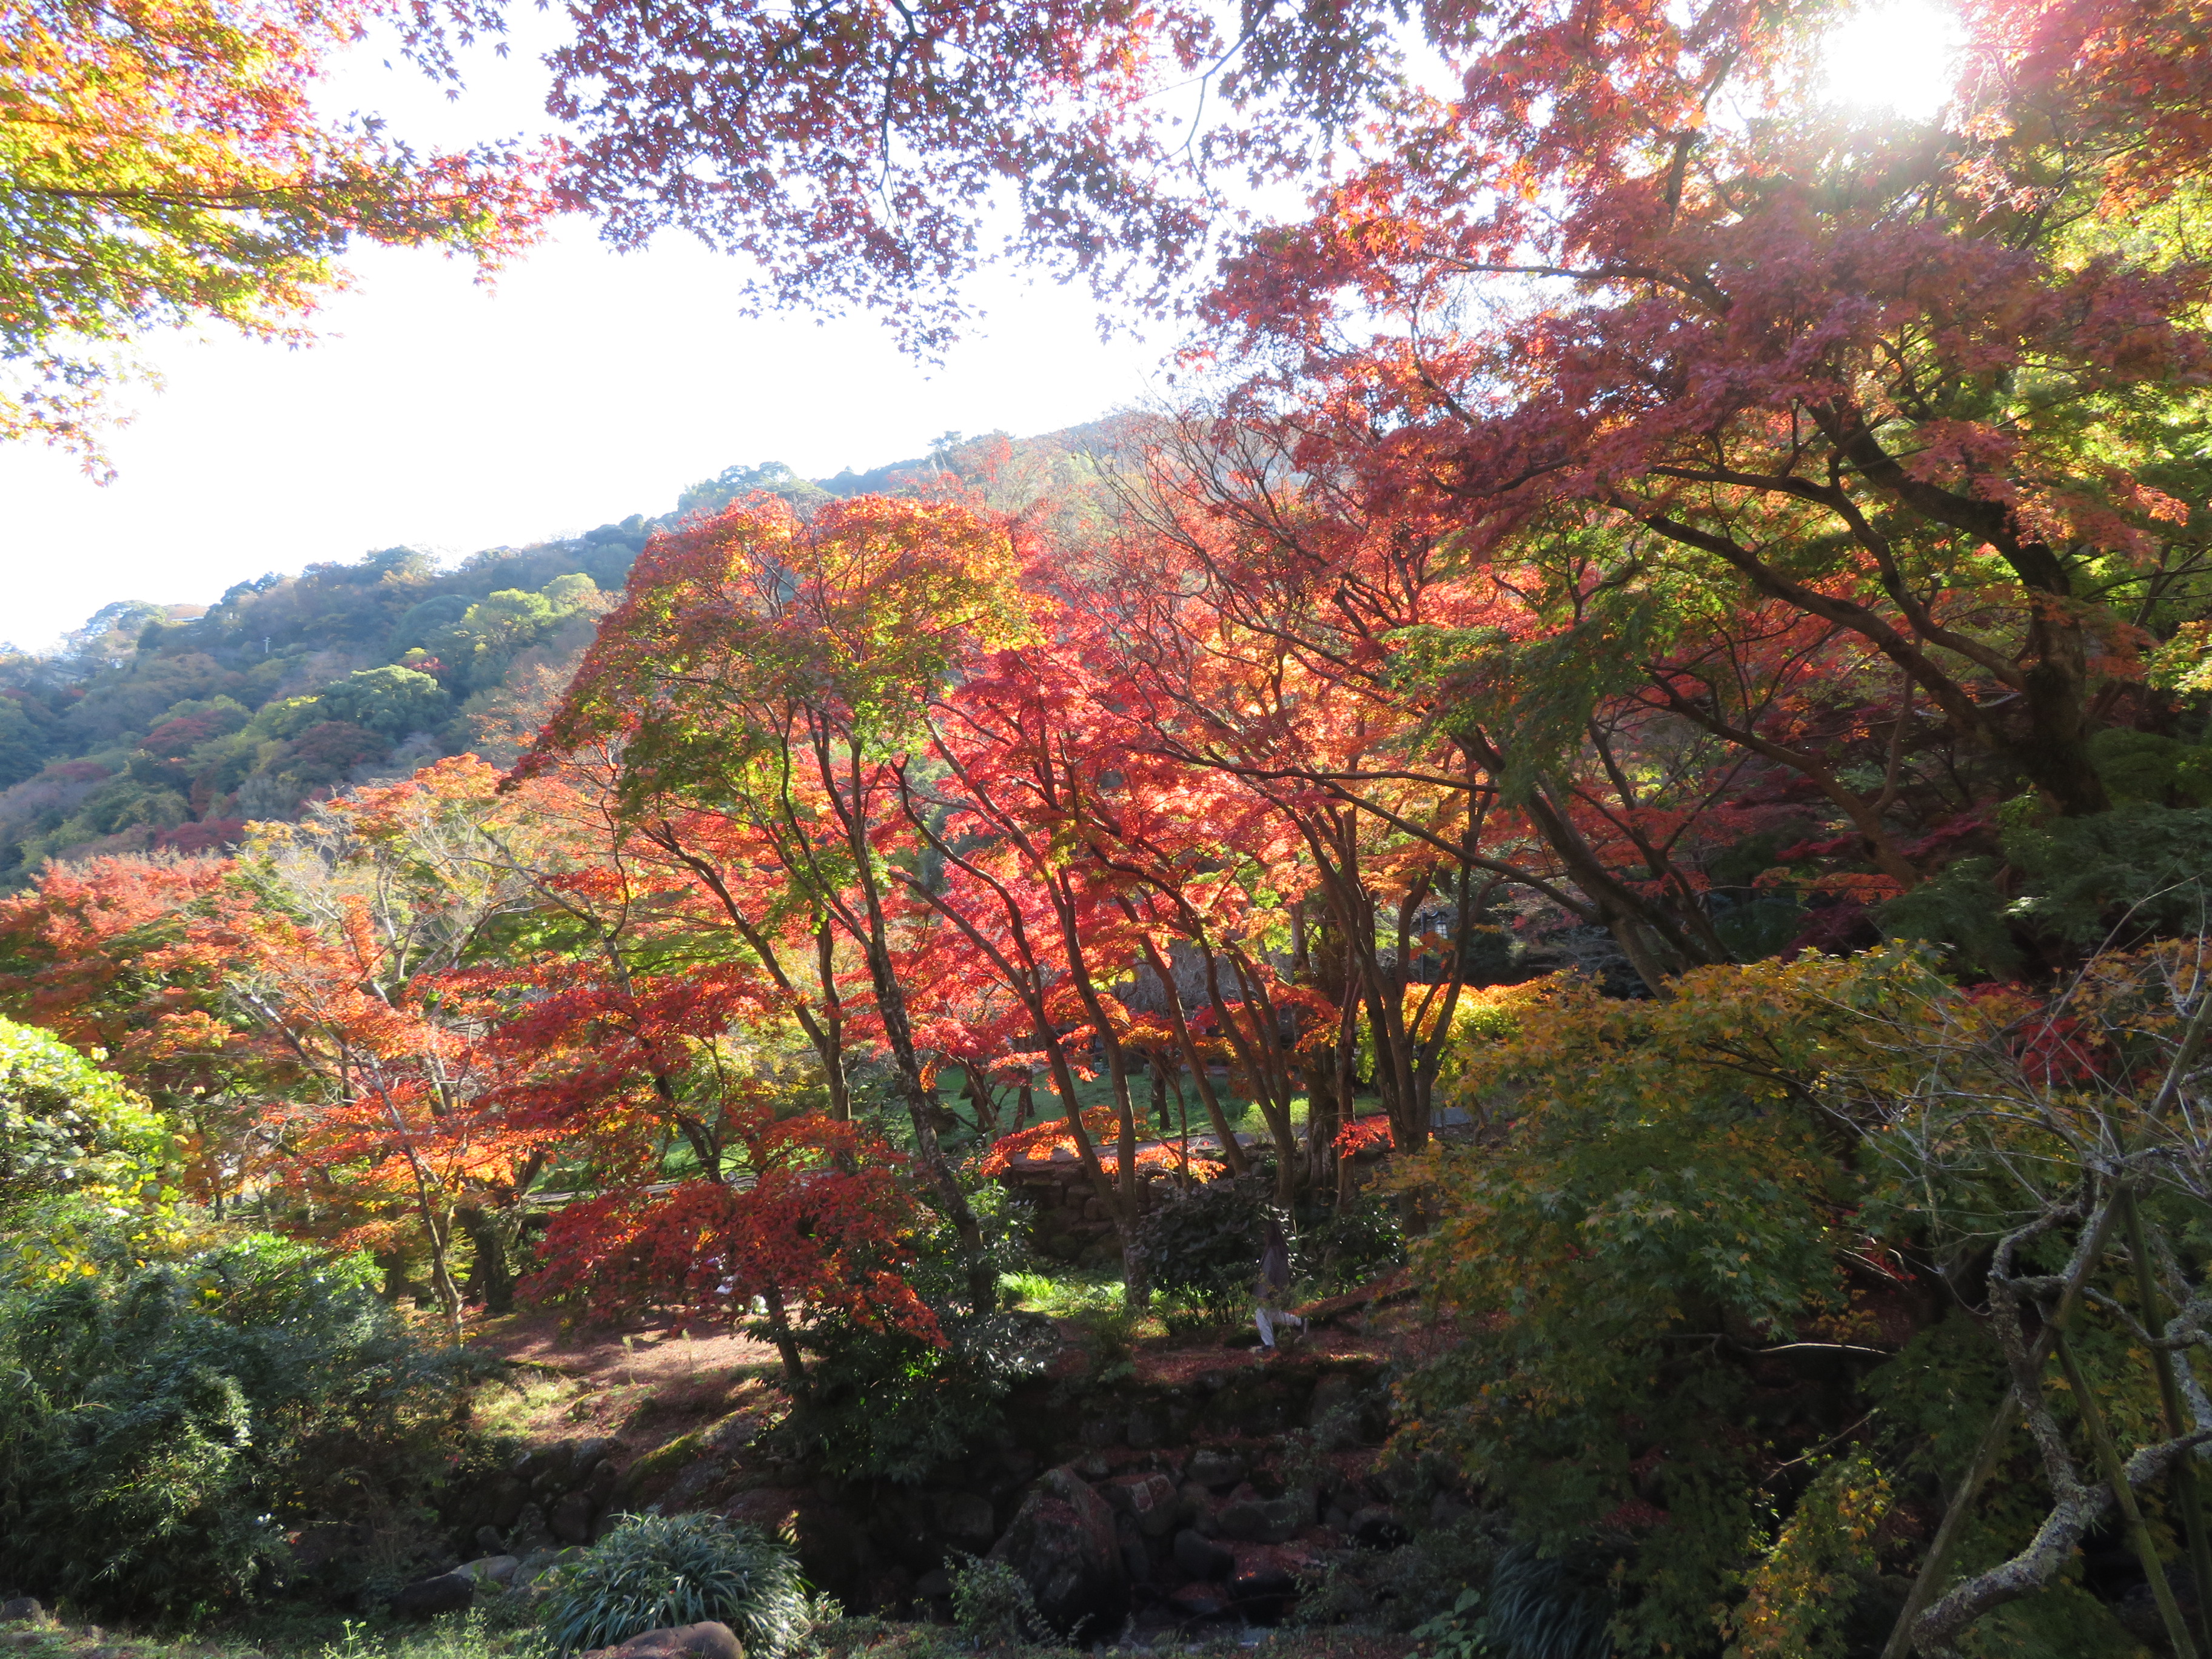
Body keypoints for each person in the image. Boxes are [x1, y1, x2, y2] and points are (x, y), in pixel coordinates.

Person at [1255, 1215, 1305, 1353]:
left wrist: (1265, 1293)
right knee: (1272, 1314)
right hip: (1279, 1289)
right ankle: (1299, 1322)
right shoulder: (1280, 1250)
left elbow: (1269, 1273)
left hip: (1272, 1290)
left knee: (1262, 1314)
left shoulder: (1272, 1252)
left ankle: (1269, 1344)